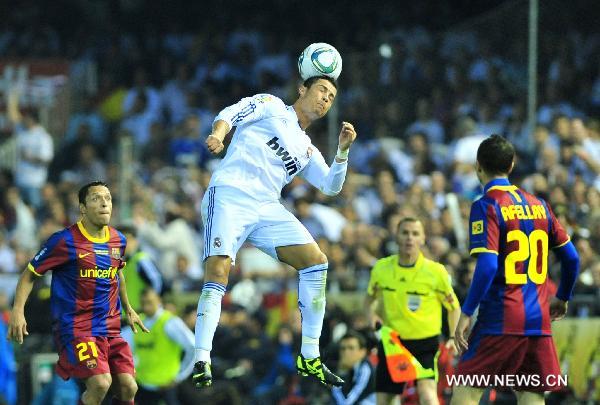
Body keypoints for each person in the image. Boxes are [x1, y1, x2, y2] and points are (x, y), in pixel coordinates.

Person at [193, 74, 357, 388]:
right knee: (217, 271)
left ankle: (309, 356)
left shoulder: (306, 149)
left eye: (331, 96)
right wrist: (218, 134)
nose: (325, 99)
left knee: (316, 261)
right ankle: (202, 358)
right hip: (230, 193)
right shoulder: (271, 106)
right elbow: (232, 112)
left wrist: (342, 152)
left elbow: (331, 186)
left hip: (266, 206)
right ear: (302, 89)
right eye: (321, 90)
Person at [451, 135, 580, 405]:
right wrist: (563, 297)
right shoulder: (540, 206)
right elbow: (571, 259)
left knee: (466, 388)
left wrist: (465, 312)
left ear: (478, 167)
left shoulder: (486, 205)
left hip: (500, 317)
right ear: (511, 165)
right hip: (538, 320)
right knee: (530, 395)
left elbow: (487, 266)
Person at [6, 181, 149, 405]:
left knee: (128, 387)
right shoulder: (64, 241)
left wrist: (128, 308)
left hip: (110, 328)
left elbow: (116, 273)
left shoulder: (118, 240)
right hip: (77, 328)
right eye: (96, 198)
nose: (104, 203)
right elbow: (29, 274)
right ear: (82, 207)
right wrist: (17, 311)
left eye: (108, 198)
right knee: (101, 383)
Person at [366, 217, 460, 405]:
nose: (410, 238)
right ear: (397, 237)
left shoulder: (436, 272)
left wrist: (452, 337)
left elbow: (454, 308)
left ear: (423, 238)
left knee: (427, 393)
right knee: (384, 399)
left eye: (415, 233)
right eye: (405, 233)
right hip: (393, 342)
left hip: (425, 343)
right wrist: (372, 317)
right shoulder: (381, 269)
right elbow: (370, 299)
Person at [123, 288, 195, 405]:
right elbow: (125, 349)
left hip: (165, 386)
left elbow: (193, 348)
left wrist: (180, 376)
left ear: (159, 300)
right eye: (143, 303)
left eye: (150, 302)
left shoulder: (170, 322)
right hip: (143, 385)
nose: (146, 307)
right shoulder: (138, 323)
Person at [331, 331, 376, 405]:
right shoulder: (351, 370)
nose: (346, 352)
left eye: (351, 348)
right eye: (343, 349)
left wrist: (335, 385)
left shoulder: (365, 369)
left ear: (362, 352)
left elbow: (348, 403)